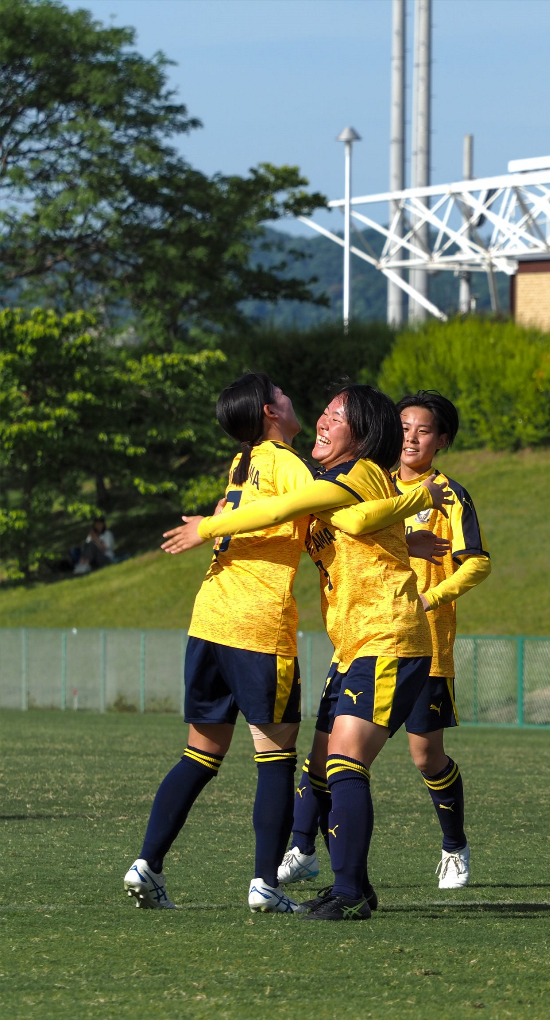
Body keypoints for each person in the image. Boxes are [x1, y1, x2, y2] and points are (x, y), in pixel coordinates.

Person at [161, 384, 449, 921]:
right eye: (322, 412)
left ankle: (350, 892)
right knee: (319, 770)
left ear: (360, 435)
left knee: (343, 761)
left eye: (334, 417)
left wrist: (209, 527)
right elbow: (351, 525)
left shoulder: (358, 473)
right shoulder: (337, 480)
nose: (321, 420)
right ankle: (349, 882)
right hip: (354, 646)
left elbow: (313, 510)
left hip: (389, 637)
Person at [277, 391, 490, 892]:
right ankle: (303, 847)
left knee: (424, 756)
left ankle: (453, 846)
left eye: (424, 430)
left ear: (442, 441)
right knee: (325, 753)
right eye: (405, 426)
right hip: (359, 635)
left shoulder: (448, 495)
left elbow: (477, 561)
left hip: (418, 640)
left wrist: (432, 597)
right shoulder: (371, 481)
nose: (412, 437)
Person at [123, 373, 314, 913]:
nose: (291, 396)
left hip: (209, 618)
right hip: (258, 624)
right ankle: (265, 885)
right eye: (284, 393)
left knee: (199, 753)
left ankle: (147, 864)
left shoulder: (241, 462)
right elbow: (314, 513)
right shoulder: (287, 464)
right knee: (275, 757)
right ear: (270, 412)